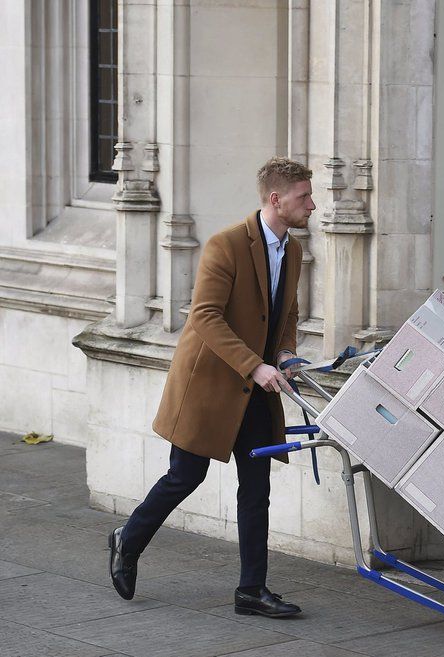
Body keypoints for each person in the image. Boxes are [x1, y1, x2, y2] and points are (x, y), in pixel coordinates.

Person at [108, 156, 315, 617]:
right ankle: (128, 539)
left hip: (258, 385)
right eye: (304, 196)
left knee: (256, 485)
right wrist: (255, 365)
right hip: (211, 384)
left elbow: (287, 314)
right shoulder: (226, 245)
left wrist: (283, 353)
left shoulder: (293, 251)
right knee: (186, 476)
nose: (313, 205)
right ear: (276, 199)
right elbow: (203, 316)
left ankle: (251, 591)